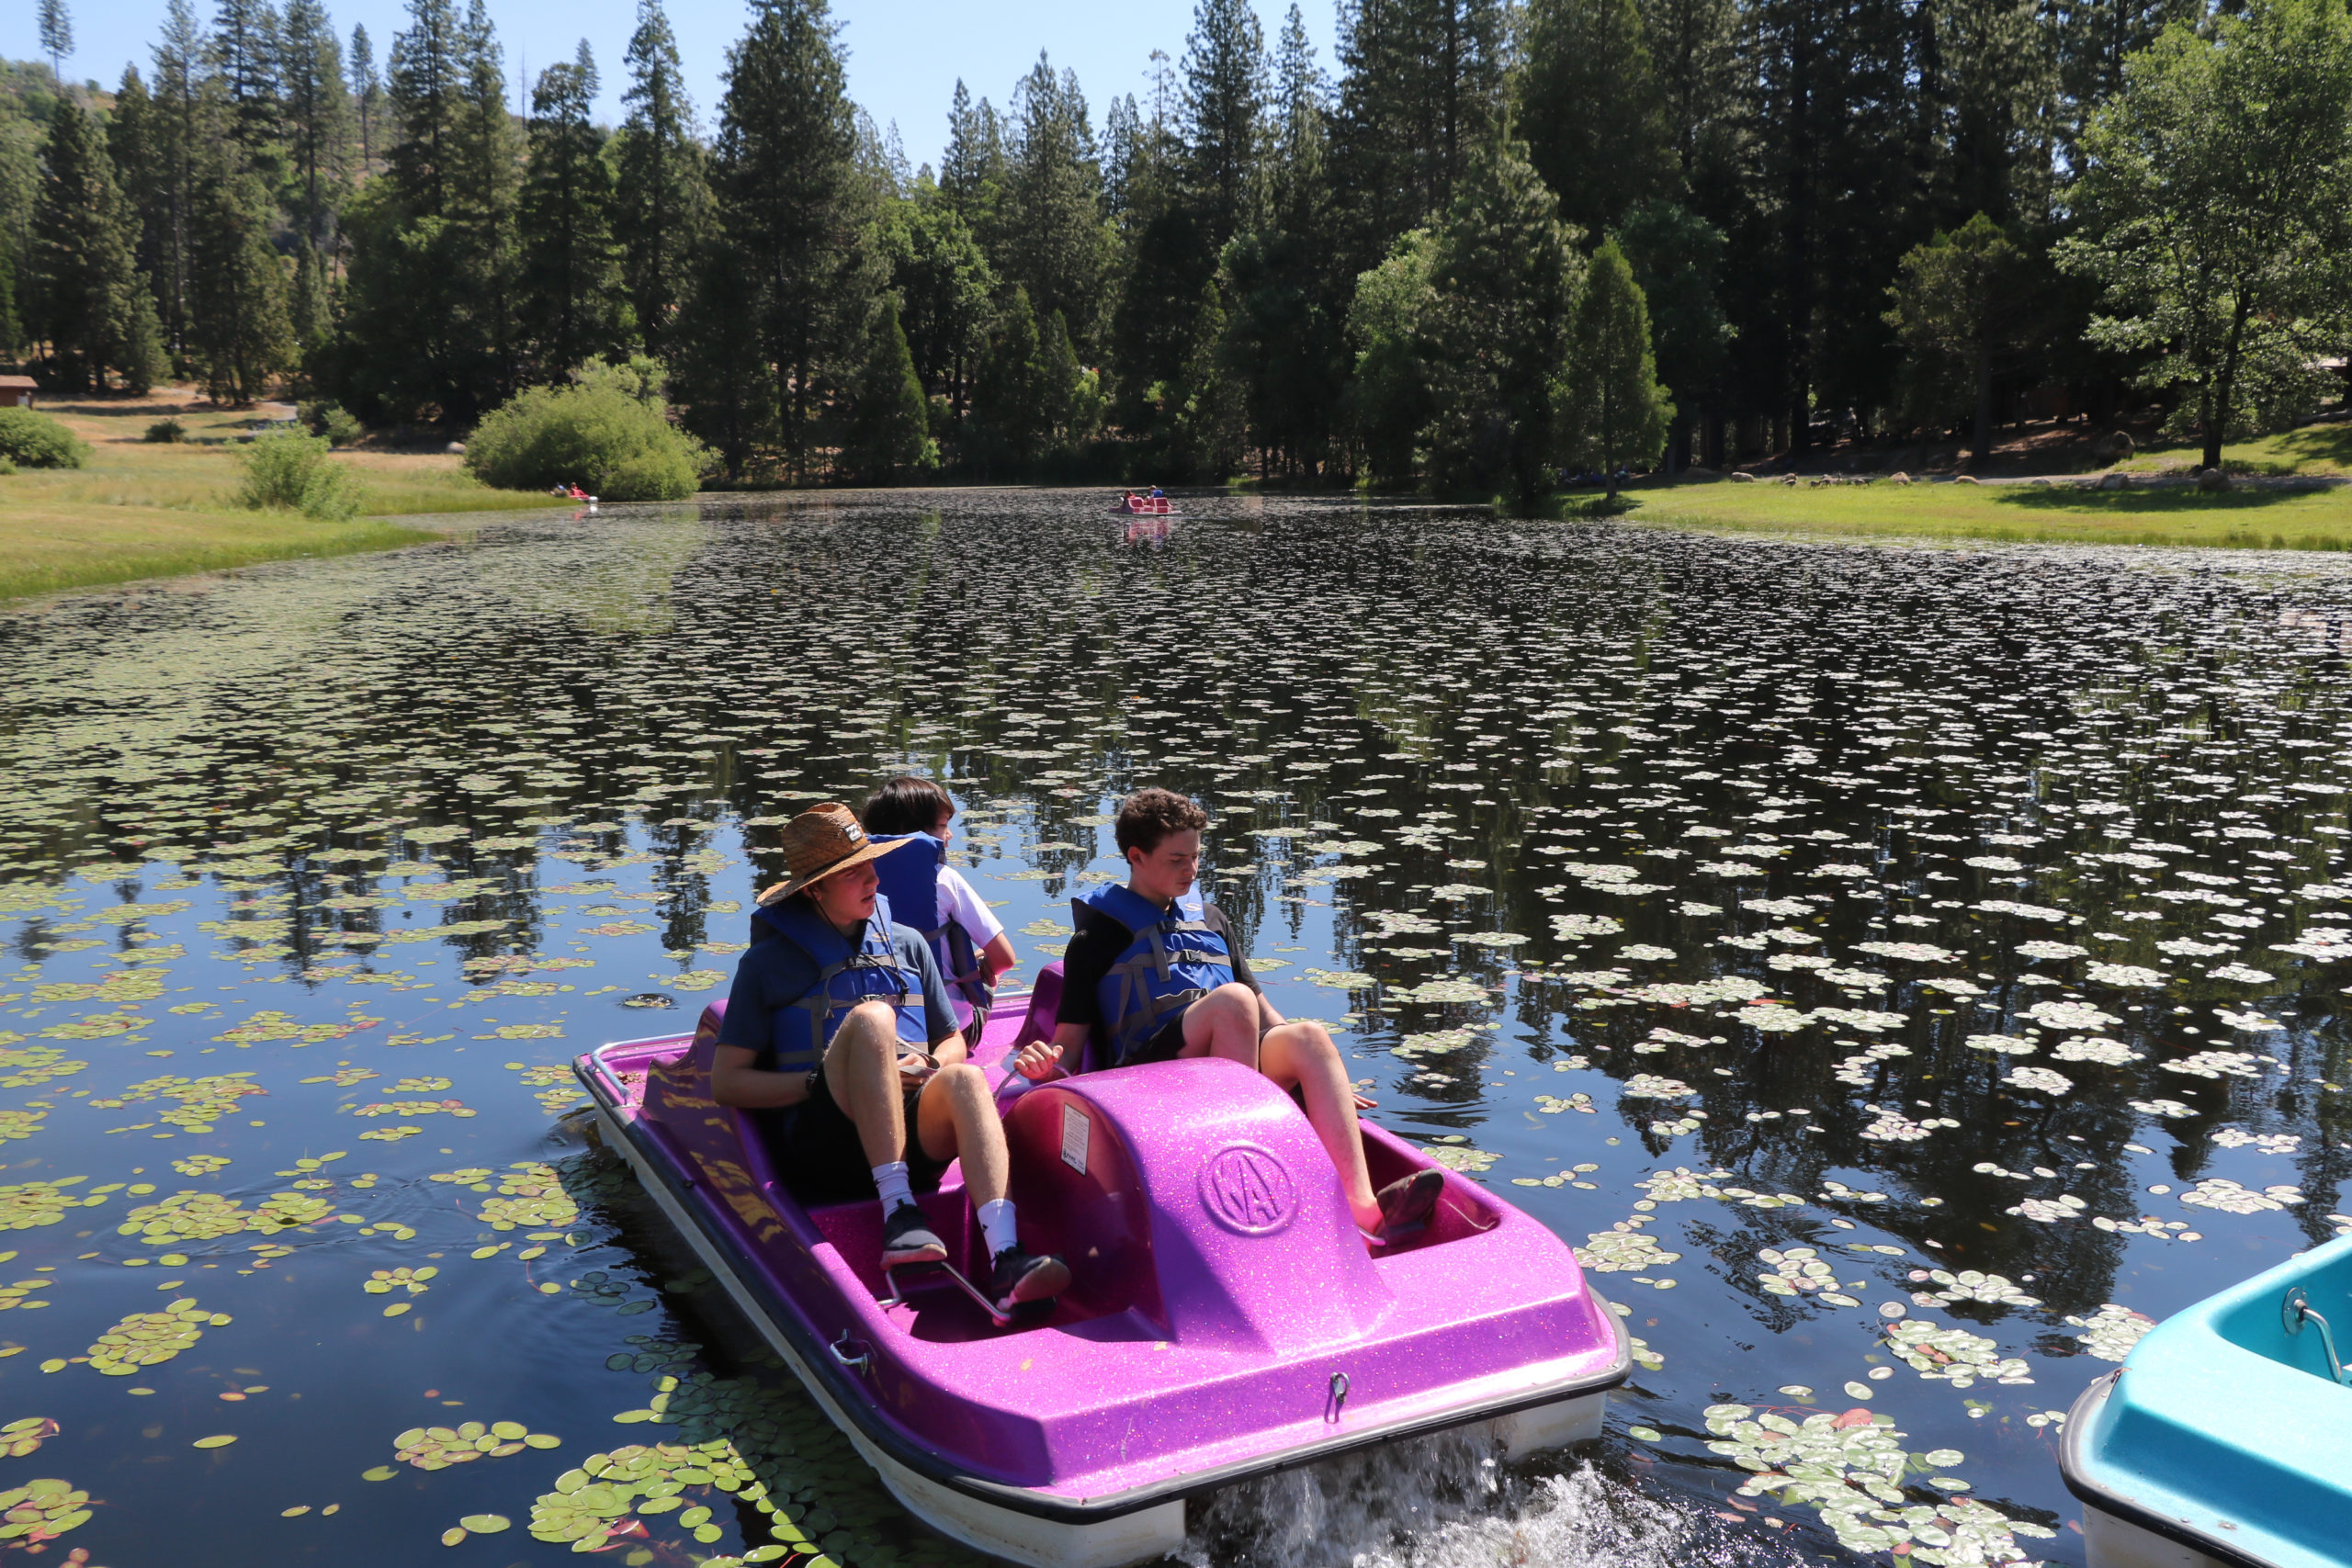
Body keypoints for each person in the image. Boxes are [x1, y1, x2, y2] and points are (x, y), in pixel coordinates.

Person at [1012, 788, 1442, 1245]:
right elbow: (1069, 1047)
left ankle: (1365, 1211)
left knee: (1310, 1035)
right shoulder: (1095, 938)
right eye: (1177, 859)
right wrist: (1046, 1067)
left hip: (1232, 1062)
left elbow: (1267, 1016)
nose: (1191, 870)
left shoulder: (1212, 919)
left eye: (1196, 856)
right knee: (1234, 1002)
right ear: (1136, 856)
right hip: (1150, 1083)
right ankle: (1244, 1186)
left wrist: (1323, 1077)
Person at [710, 803, 1069, 1313]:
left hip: (912, 1139)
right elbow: (727, 1082)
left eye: (871, 866)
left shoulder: (908, 944)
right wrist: (821, 1082)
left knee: (965, 1077)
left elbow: (952, 1040)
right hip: (827, 1146)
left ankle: (1007, 1256)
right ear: (814, 890)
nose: (873, 879)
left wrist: (929, 1068)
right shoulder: (766, 964)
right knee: (874, 1017)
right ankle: (899, 1214)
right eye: (852, 873)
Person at [859, 776, 1015, 1035]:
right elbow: (1004, 959)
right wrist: (981, 965)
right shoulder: (943, 879)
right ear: (909, 829)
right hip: (946, 1031)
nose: (950, 835)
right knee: (990, 968)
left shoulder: (851, 881)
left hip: (876, 1031)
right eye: (943, 825)